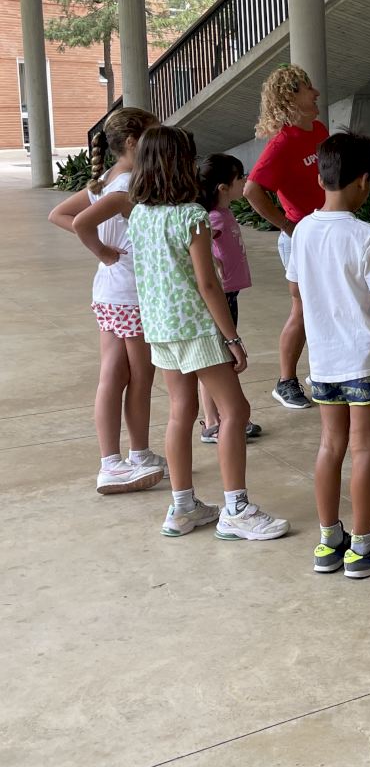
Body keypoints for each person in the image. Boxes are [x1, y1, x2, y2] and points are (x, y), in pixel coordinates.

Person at [126, 127, 289, 541]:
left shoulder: (139, 214)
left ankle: (183, 507)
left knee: (180, 412)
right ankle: (236, 508)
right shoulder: (191, 217)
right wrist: (231, 338)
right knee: (235, 412)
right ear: (181, 164)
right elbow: (208, 284)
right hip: (196, 329)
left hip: (161, 328)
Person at [287, 133, 370, 579]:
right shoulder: (367, 235)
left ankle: (329, 542)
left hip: (324, 360)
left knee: (330, 446)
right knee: (365, 449)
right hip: (365, 359)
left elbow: (296, 289)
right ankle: (363, 546)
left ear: (320, 178)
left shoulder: (303, 230)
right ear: (364, 181)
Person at [49, 106, 167, 494]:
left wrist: (103, 248)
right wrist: (103, 249)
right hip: (131, 294)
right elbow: (78, 220)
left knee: (113, 375)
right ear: (133, 142)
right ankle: (138, 454)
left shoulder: (107, 179)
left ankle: (112, 462)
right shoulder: (128, 183)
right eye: (151, 135)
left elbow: (59, 214)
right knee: (140, 378)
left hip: (110, 293)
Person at [243, 64, 328, 410]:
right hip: (301, 239)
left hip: (326, 233)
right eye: (309, 89)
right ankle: (286, 381)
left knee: (327, 307)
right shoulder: (283, 143)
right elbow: (252, 190)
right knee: (304, 309)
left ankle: (322, 373)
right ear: (290, 98)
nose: (316, 93)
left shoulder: (319, 130)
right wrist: (288, 226)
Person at [197, 153, 262, 444]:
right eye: (240, 177)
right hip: (221, 296)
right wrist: (212, 260)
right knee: (218, 358)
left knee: (220, 357)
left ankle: (227, 415)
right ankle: (214, 420)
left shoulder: (224, 213)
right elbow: (197, 245)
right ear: (223, 188)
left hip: (230, 294)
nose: (245, 181)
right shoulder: (212, 218)